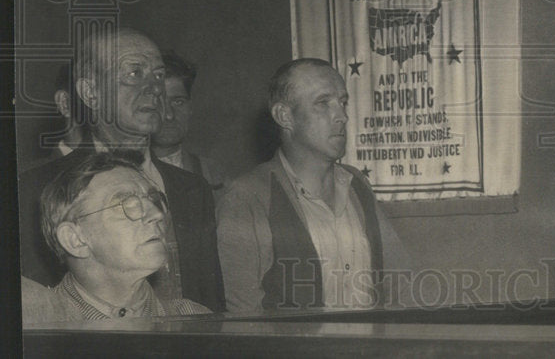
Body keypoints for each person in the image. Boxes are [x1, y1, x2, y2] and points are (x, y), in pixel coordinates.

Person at [19, 27, 225, 312]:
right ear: (90, 93)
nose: (155, 88)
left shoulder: (192, 188)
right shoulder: (34, 187)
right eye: (133, 73)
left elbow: (210, 304)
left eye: (159, 75)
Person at [217, 58, 386, 312]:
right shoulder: (248, 196)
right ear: (284, 116)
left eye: (343, 102)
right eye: (322, 103)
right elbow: (243, 314)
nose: (342, 116)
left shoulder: (357, 185)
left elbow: (396, 284)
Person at [21, 152, 211, 323]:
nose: (157, 214)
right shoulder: (34, 325)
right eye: (126, 204)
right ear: (75, 240)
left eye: (153, 200)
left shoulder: (196, 321)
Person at [151, 51, 227, 202]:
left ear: (190, 107)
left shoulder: (214, 175)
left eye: (178, 102)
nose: (169, 115)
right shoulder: (121, 174)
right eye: (159, 103)